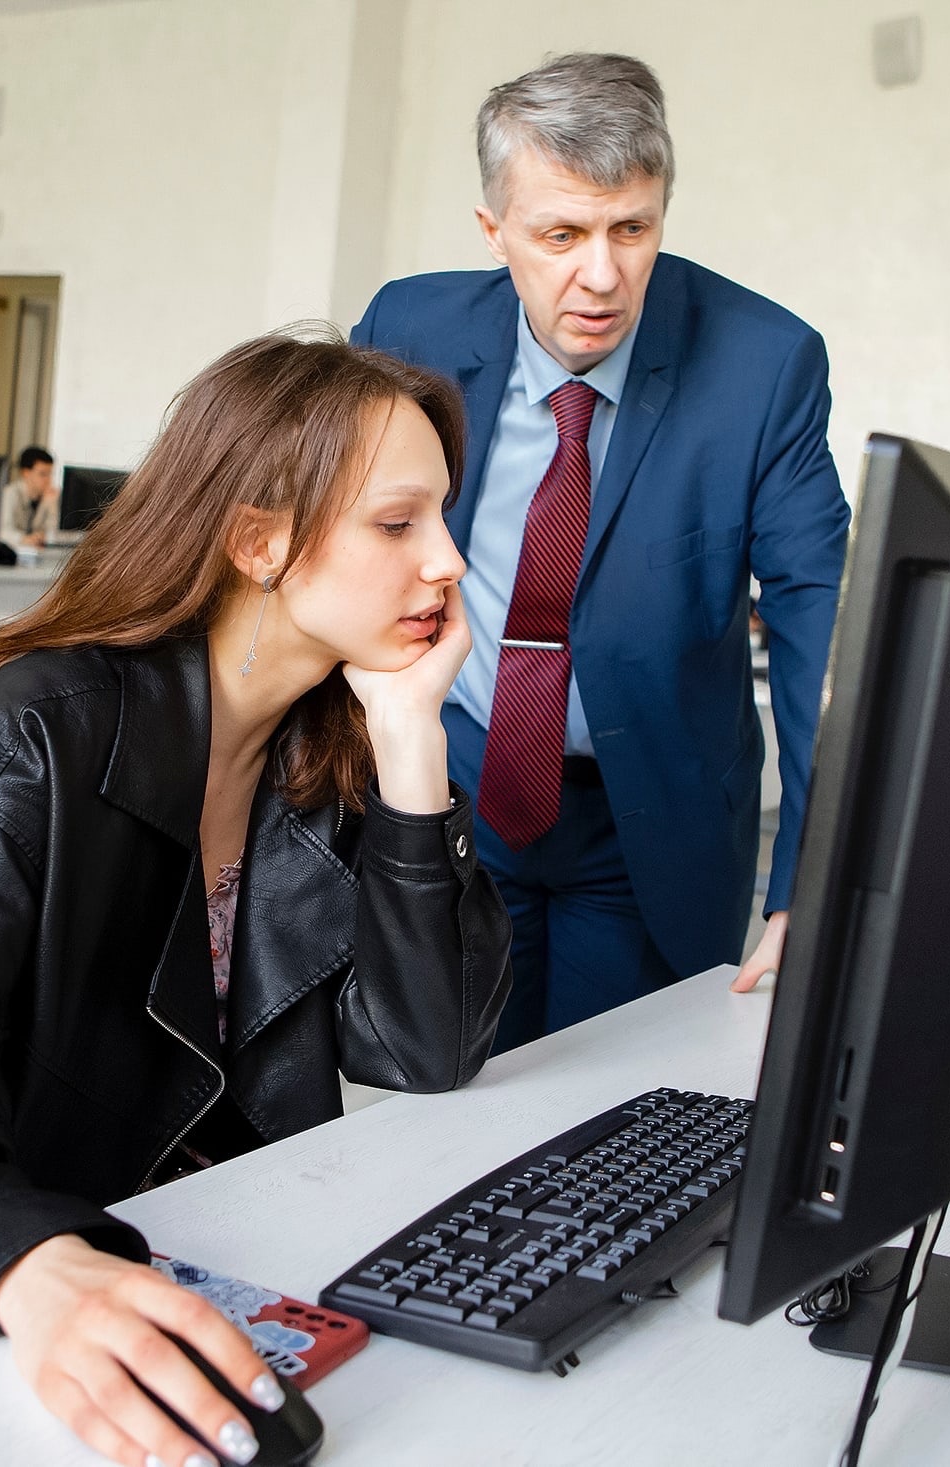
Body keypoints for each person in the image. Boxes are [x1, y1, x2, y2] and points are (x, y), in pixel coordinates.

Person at [0, 333, 511, 1467]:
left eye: (445, 520)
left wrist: (413, 736)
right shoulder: (26, 733)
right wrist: (30, 1265)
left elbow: (428, 1048)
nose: (450, 562)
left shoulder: (325, 745)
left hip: (200, 1245)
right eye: (397, 523)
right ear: (258, 540)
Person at [354, 53, 850, 1048]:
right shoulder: (409, 327)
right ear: (494, 231)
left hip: (653, 822)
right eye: (561, 235)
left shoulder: (765, 364)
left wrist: (818, 876)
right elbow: (328, 531)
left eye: (632, 228)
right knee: (452, 1094)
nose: (602, 275)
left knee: (620, 1111)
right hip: (455, 788)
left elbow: (821, 616)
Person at [0, 444, 60, 550]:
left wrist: (51, 507)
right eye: (43, 474)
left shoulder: (46, 497)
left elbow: (51, 535)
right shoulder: (10, 494)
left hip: (32, 553)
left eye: (50, 474)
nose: (48, 480)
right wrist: (24, 538)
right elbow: (2, 532)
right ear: (26, 473)